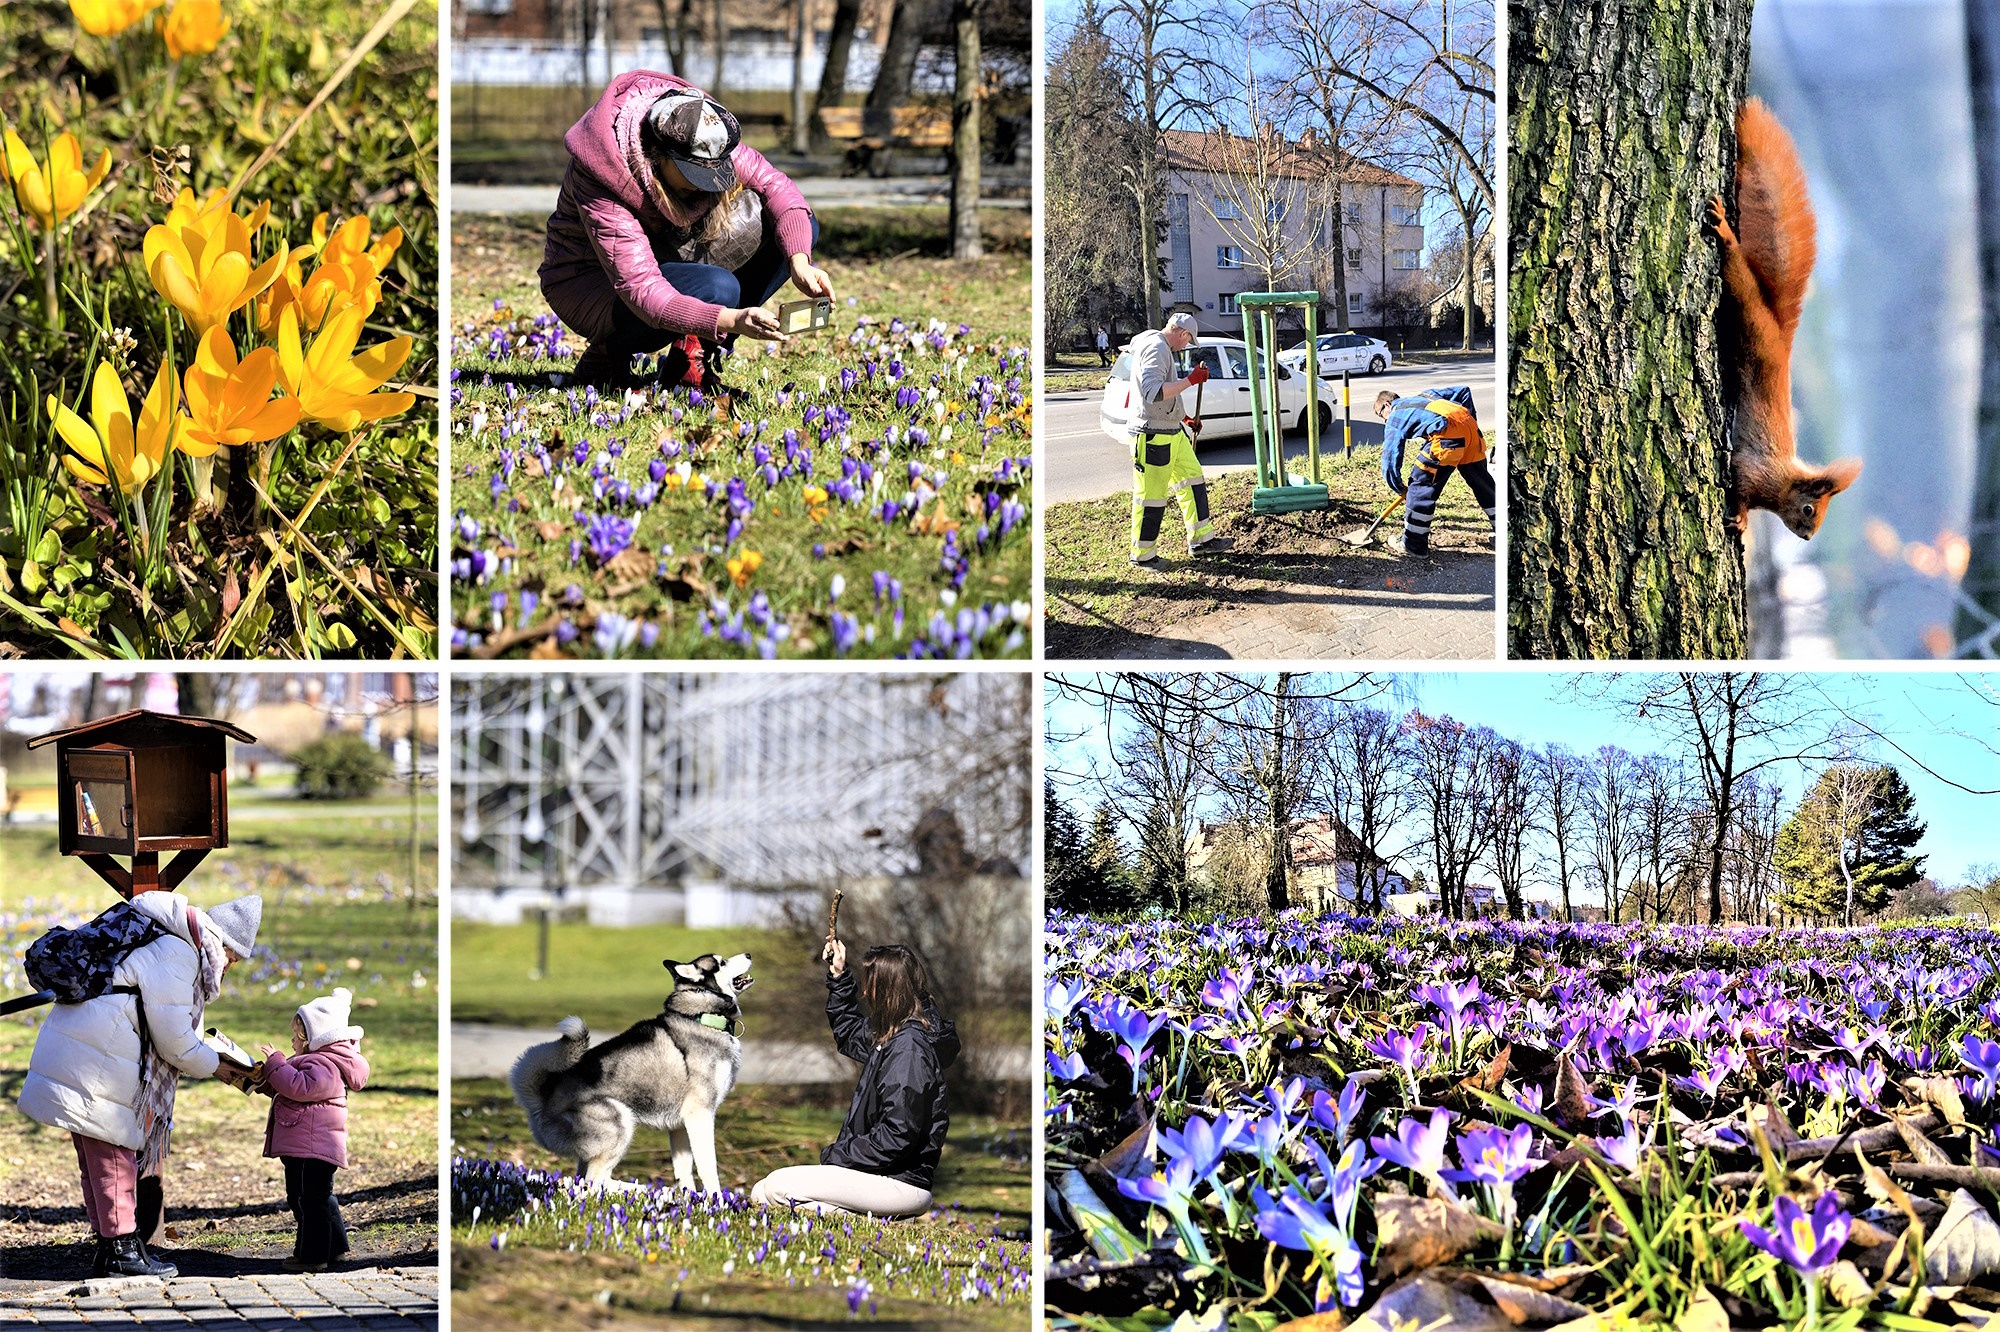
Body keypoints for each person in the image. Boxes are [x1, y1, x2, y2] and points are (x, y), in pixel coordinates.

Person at [540, 71, 836, 391]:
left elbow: (778, 187)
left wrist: (799, 261)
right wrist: (730, 320)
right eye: (692, 173)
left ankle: (691, 359)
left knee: (797, 228)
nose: (703, 185)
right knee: (717, 288)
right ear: (657, 154)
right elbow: (641, 288)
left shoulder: (704, 133)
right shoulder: (604, 173)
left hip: (663, 249)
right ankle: (608, 355)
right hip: (591, 279)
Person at [18, 892, 263, 1279]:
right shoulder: (178, 952)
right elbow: (175, 1041)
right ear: (224, 945)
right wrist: (218, 1065)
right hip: (98, 1062)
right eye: (232, 961)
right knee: (116, 1161)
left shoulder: (157, 934)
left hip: (79, 1050)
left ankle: (110, 1247)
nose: (227, 970)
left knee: (97, 1162)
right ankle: (122, 1252)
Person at [748, 942, 957, 1217]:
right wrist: (838, 976)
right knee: (760, 1191)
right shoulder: (893, 1034)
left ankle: (857, 1220)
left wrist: (839, 1155)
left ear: (886, 990)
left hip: (901, 1183)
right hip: (881, 1174)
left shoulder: (909, 1049)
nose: (867, 992)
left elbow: (899, 1135)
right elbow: (849, 1033)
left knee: (776, 1186)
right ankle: (853, 1215)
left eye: (870, 984)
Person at [257, 987, 369, 1274]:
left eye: (297, 1036)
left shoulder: (324, 1065)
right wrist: (263, 1079)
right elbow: (293, 1088)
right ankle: (335, 1247)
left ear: (313, 1038)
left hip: (314, 1147)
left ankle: (312, 1254)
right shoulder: (316, 1062)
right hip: (306, 1145)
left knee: (309, 1200)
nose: (292, 1041)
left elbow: (300, 1086)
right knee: (316, 1197)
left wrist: (275, 1063)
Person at [1126, 312, 1234, 565]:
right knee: (1151, 496)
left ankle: (1201, 540)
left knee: (1192, 479)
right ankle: (1143, 555)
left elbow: (1165, 394)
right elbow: (1153, 392)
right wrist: (1190, 380)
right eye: (1188, 341)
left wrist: (1183, 418)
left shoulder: (1161, 347)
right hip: (1152, 435)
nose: (1186, 346)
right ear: (1182, 333)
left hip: (1171, 431)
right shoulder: (1155, 348)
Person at [1377, 385, 1496, 557]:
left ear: (1387, 405)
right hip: (1471, 431)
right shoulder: (1428, 395)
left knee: (1420, 487)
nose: (1385, 421)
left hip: (1448, 437)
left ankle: (1413, 545)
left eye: (1382, 416)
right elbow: (1464, 391)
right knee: (1483, 484)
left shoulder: (1394, 416)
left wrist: (1400, 488)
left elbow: (1389, 461)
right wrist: (1470, 424)